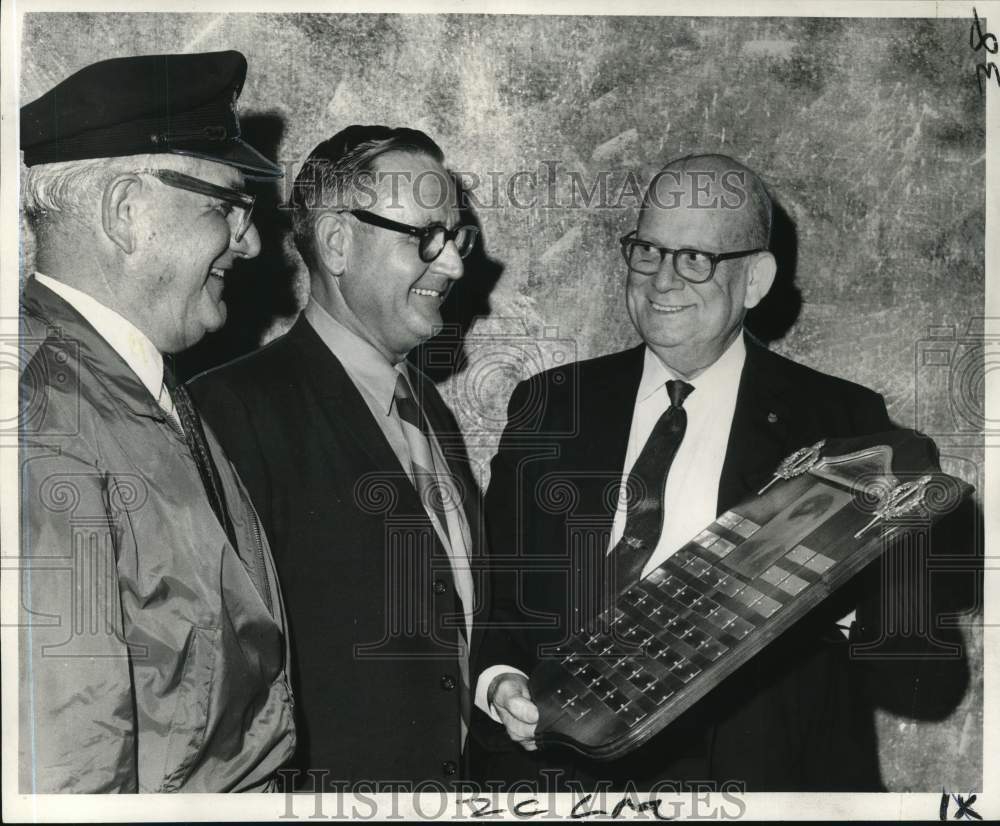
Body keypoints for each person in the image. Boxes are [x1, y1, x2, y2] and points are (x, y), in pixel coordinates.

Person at [474, 154, 969, 791]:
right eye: (647, 250)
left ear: (756, 280)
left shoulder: (844, 420)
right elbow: (495, 609)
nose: (661, 281)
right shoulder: (550, 406)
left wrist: (843, 587)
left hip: (755, 784)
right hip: (558, 784)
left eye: (696, 258)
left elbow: (923, 681)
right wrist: (500, 685)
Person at [18, 51, 296, 793]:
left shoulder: (132, 381)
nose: (252, 242)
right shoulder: (39, 415)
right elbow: (66, 763)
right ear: (126, 212)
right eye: (225, 208)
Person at [188, 125, 486, 788]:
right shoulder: (229, 413)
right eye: (427, 238)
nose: (455, 265)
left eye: (456, 237)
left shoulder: (429, 410)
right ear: (337, 243)